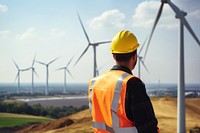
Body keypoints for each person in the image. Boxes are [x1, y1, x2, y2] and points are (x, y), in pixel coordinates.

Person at [88, 30, 159, 133]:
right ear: (134, 57)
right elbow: (148, 128)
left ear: (113, 55)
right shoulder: (132, 84)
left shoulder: (94, 83)